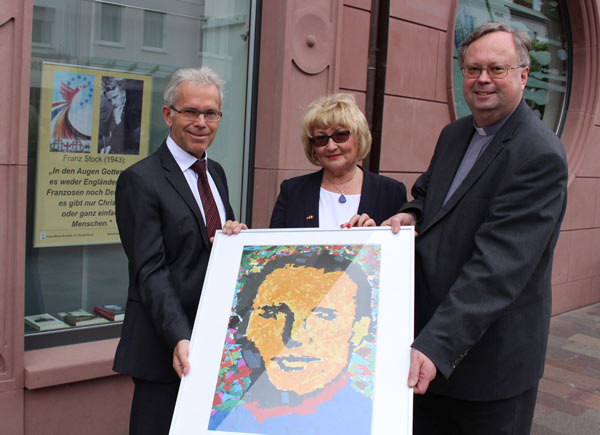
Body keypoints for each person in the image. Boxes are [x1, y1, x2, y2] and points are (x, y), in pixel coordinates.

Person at [384, 22, 568, 434]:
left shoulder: (538, 155)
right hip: (427, 349)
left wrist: (435, 344)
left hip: (487, 365)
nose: (483, 79)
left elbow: (498, 267)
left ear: (523, 75)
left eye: (496, 69)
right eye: (472, 69)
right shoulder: (454, 134)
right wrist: (412, 212)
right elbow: (429, 192)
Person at [113, 66, 247, 435]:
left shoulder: (215, 172)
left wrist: (232, 237)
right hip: (165, 345)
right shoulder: (140, 180)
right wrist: (180, 337)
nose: (201, 122)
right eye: (191, 111)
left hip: (215, 340)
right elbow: (149, 269)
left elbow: (208, 248)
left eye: (211, 113)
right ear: (168, 114)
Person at [209, 250, 377, 434]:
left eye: (321, 315)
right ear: (246, 326)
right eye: (272, 313)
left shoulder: (374, 422)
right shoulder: (214, 422)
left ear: (359, 329)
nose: (292, 336)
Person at [269, 93, 406, 229]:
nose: (331, 146)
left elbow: (401, 247)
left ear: (359, 137)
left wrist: (373, 238)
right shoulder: (292, 191)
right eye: (321, 138)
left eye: (340, 135)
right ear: (312, 146)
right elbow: (273, 246)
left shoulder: (391, 192)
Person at [98, 77, 143, 154]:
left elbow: (131, 139)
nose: (113, 103)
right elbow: (110, 137)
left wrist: (118, 120)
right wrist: (108, 146)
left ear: (123, 94)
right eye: (109, 100)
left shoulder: (132, 112)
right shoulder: (111, 112)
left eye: (115, 97)